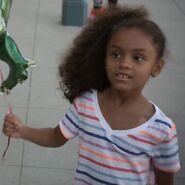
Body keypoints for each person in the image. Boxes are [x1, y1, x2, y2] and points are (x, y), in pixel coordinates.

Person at [2, 5, 181, 185]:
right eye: (115, 54)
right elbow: (56, 137)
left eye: (138, 58)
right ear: (103, 58)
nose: (124, 63)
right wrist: (22, 131)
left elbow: (165, 180)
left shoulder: (162, 130)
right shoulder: (86, 104)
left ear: (157, 67)